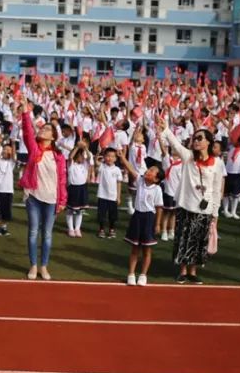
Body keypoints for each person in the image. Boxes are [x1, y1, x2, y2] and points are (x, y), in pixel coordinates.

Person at [159, 117, 224, 284]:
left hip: (205, 208)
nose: (196, 141)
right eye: (195, 138)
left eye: (200, 138)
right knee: (183, 238)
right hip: (186, 205)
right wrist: (166, 129)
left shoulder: (216, 163)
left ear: (209, 142)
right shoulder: (188, 157)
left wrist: (215, 212)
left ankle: (193, 271)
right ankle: (182, 270)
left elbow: (217, 189)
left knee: (198, 240)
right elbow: (175, 145)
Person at [17, 97, 67, 280]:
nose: (43, 130)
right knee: (33, 232)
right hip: (34, 198)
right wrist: (25, 111)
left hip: (52, 199)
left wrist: (62, 201)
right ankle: (33, 265)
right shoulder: (35, 150)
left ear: (53, 136)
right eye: (42, 127)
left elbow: (62, 180)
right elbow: (27, 132)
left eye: (47, 129)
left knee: (47, 234)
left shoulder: (59, 156)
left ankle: (44, 266)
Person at [118, 155, 164, 286]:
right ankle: (131, 274)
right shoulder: (140, 181)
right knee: (135, 247)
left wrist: (158, 223)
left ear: (156, 179)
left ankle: (143, 275)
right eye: (149, 169)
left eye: (152, 171)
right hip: (137, 216)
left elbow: (159, 207)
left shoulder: (157, 189)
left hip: (149, 218)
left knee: (147, 249)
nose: (148, 171)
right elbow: (131, 169)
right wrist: (122, 157)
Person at [65, 140, 93, 237]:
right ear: (77, 156)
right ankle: (70, 229)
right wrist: (77, 147)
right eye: (81, 156)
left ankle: (77, 228)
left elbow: (89, 157)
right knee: (70, 210)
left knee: (80, 210)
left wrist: (84, 147)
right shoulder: (71, 165)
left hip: (82, 188)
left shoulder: (85, 164)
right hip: (73, 188)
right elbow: (70, 157)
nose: (83, 157)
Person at [96, 148, 124, 239]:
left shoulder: (117, 170)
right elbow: (96, 164)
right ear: (104, 157)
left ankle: (112, 229)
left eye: (112, 156)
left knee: (113, 215)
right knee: (101, 214)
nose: (110, 158)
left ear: (115, 158)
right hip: (102, 195)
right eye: (108, 156)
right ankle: (101, 229)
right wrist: (97, 155)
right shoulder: (102, 167)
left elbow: (119, 183)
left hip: (113, 196)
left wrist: (118, 196)